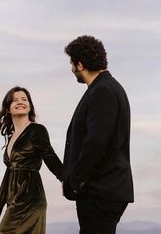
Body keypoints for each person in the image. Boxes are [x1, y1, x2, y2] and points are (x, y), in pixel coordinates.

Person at [62, 35, 134, 234]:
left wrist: (76, 181)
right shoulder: (104, 88)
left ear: (80, 64)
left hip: (100, 191)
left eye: (71, 63)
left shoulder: (103, 91)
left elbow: (96, 143)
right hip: (103, 189)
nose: (71, 69)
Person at [0, 86, 63, 234]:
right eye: (15, 100)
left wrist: (67, 180)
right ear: (8, 109)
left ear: (30, 106)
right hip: (14, 199)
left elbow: (50, 157)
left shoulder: (37, 130)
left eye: (24, 99)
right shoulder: (11, 137)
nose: (20, 102)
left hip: (30, 198)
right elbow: (9, 174)